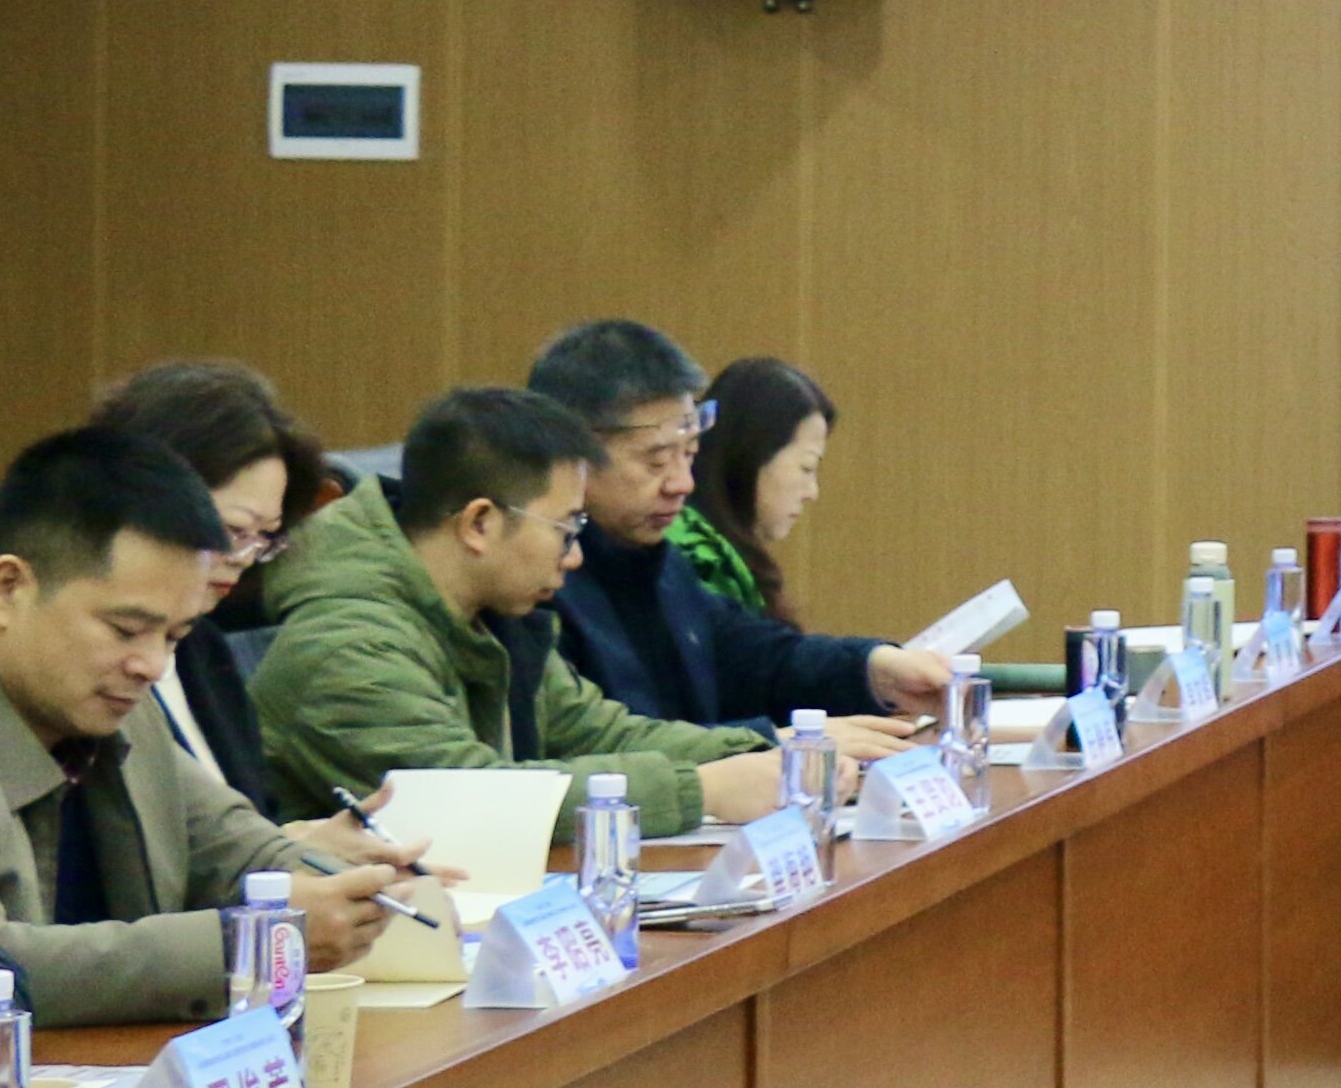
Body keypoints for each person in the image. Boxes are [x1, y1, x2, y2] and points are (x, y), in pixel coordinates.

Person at [0, 427, 433, 1025]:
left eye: (173, 635)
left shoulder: (114, 699)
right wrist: (246, 946)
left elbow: (237, 848)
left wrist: (349, 888)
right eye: (126, 630)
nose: (152, 665)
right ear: (9, 588)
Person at [257, 384, 786, 835]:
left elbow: (595, 731)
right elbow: (468, 801)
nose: (575, 557)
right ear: (479, 524)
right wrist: (699, 790)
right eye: (566, 529)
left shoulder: (493, 617)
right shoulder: (345, 646)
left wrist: (760, 749)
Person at [527, 320, 943, 734]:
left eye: (689, 454)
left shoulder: (659, 565)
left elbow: (758, 658)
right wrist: (771, 745)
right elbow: (610, 747)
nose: (682, 484)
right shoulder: (535, 587)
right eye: (656, 461)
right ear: (572, 454)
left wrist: (875, 670)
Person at [86, 355, 341, 810]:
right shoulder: (86, 661)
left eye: (265, 537)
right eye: (232, 531)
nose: (243, 560)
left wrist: (302, 841)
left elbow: (248, 818)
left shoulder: (205, 649)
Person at [685, 355, 834, 625]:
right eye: (806, 467)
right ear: (752, 455)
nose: (812, 492)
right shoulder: (698, 562)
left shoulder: (730, 560)